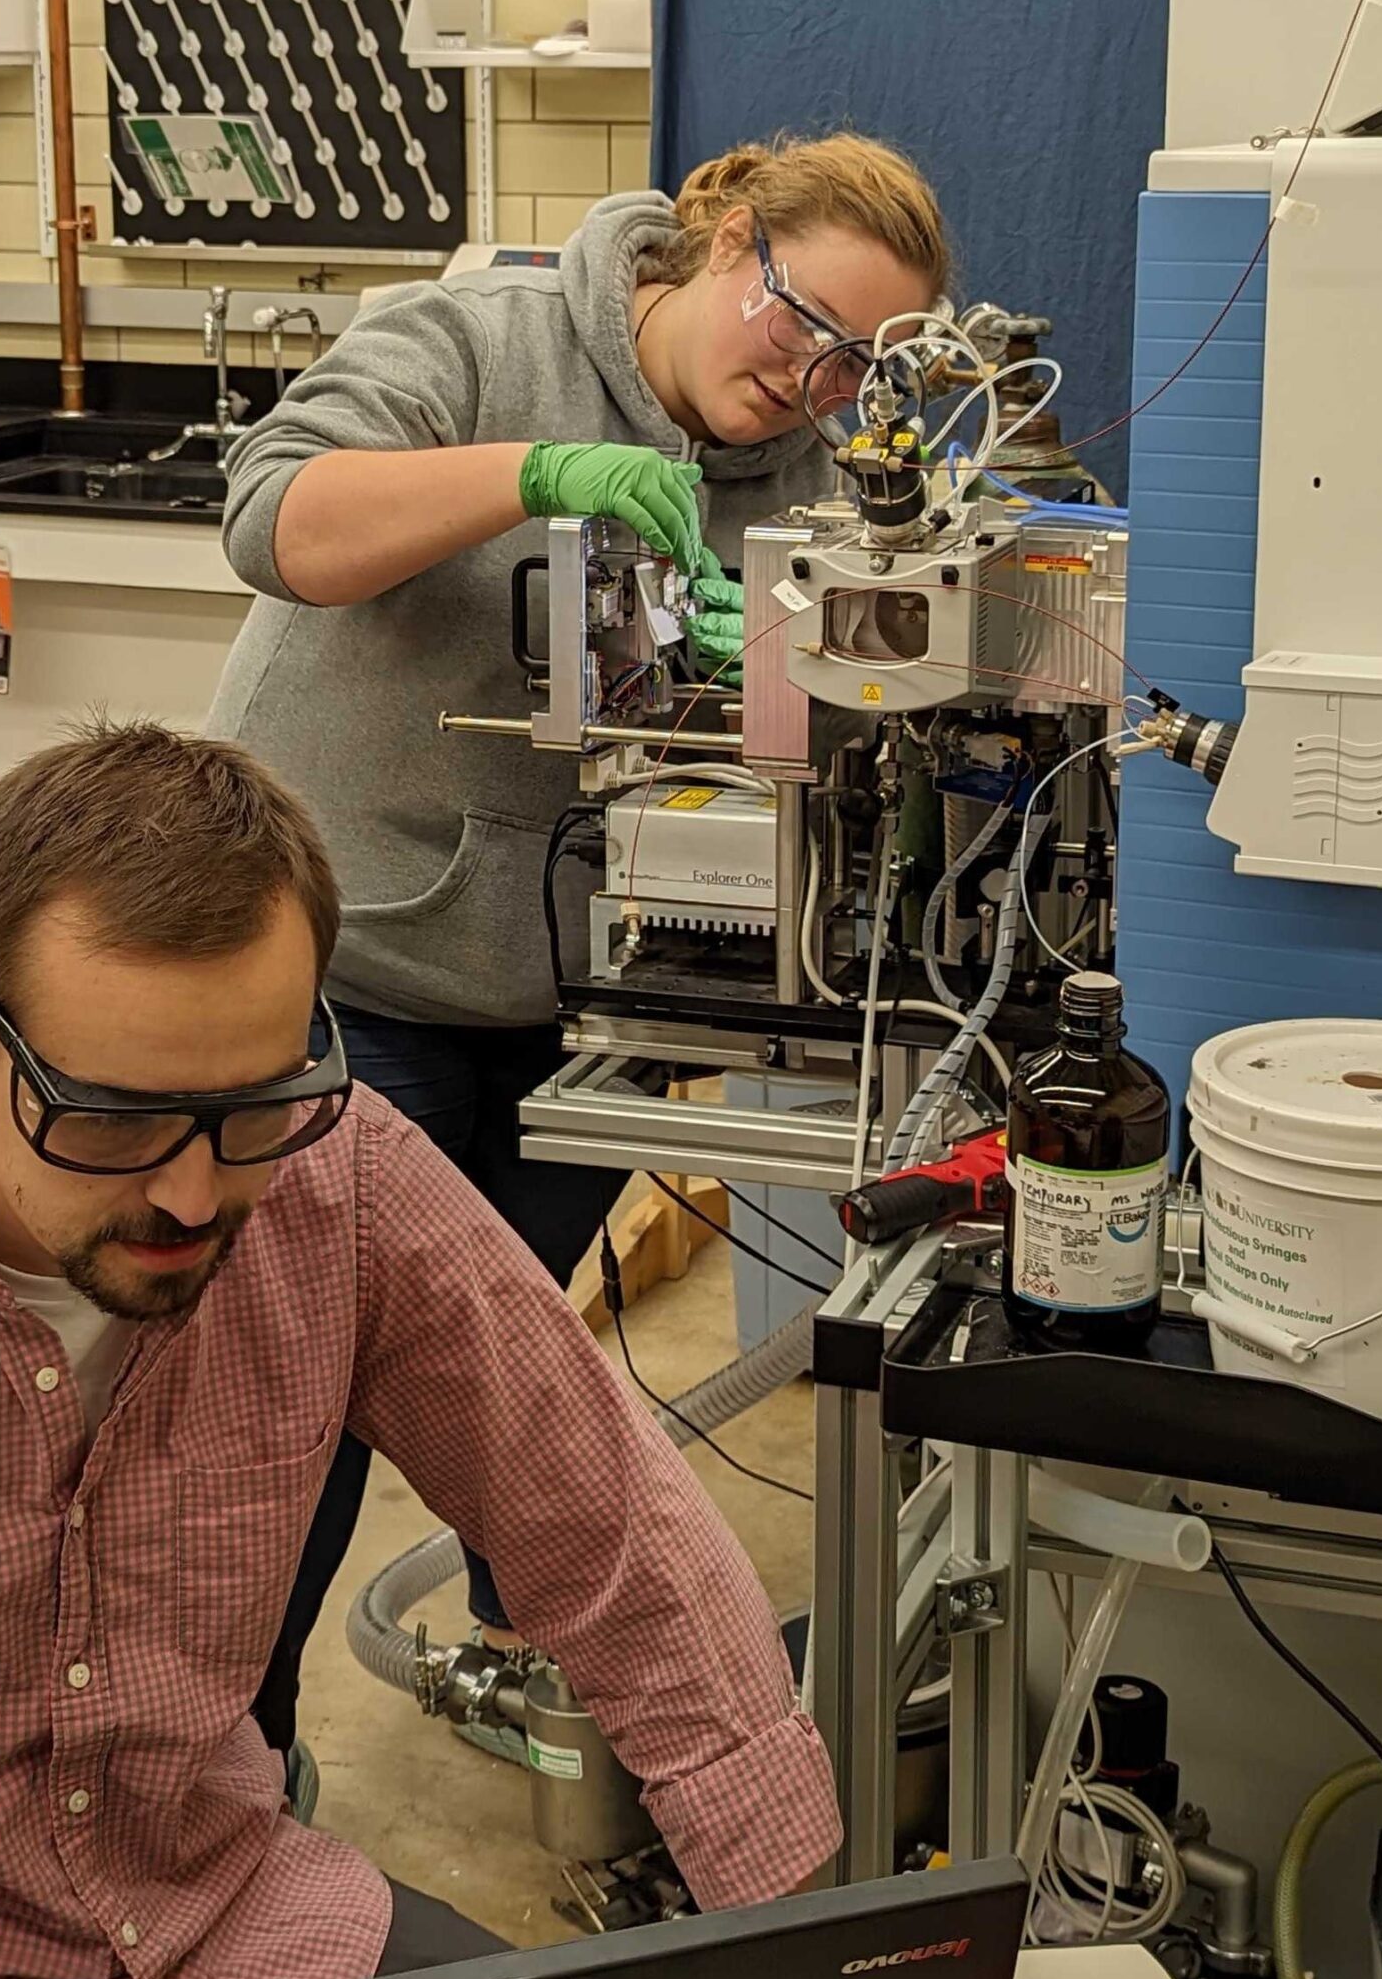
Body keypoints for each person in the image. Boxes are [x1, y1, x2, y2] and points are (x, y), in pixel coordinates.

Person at [0, 723, 841, 1979]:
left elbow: (610, 1525)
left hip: (224, 1912)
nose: (189, 1192)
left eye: (252, 1107)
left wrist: (810, 1968)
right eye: (111, 1116)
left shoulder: (342, 1184)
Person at [208, 133, 955, 1733]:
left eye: (863, 370)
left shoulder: (808, 474)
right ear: (731, 240)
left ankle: (528, 1646)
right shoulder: (482, 340)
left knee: (496, 1360)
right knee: (299, 1399)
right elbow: (275, 523)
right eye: (808, 326)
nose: (823, 384)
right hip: (350, 972)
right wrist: (536, 475)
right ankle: (226, 1774)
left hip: (589, 997)